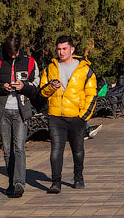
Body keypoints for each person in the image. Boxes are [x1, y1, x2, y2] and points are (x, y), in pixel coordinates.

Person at [39, 35, 98, 193]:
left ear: (72, 49)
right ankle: (55, 182)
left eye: (64, 48)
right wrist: (51, 87)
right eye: (58, 49)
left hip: (76, 116)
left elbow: (91, 94)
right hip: (56, 115)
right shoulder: (50, 68)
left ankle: (78, 177)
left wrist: (84, 116)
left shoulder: (84, 69)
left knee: (77, 150)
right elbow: (42, 92)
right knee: (56, 149)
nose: (61, 52)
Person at [0, 33, 40, 198]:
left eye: (16, 53)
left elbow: (36, 84)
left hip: (21, 110)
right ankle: (11, 182)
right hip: (3, 111)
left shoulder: (30, 62)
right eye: (11, 54)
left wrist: (24, 86)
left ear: (20, 48)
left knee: (19, 148)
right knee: (7, 150)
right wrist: (3, 87)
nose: (14, 56)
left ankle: (19, 184)